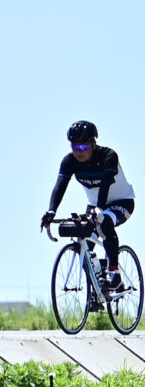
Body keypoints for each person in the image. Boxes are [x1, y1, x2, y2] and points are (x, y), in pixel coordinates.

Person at [43, 120, 134, 284]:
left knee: (105, 223)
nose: (79, 152)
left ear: (93, 143)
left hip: (122, 201)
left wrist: (100, 209)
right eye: (74, 147)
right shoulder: (69, 162)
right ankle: (95, 286)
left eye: (83, 147)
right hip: (94, 206)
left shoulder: (108, 156)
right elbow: (60, 186)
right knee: (83, 240)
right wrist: (51, 211)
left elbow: (105, 184)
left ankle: (115, 272)